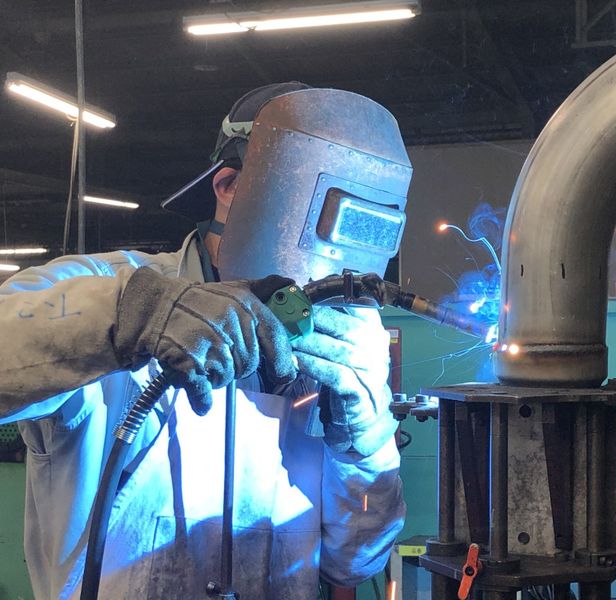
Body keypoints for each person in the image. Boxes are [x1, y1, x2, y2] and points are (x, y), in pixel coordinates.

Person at [0, 81, 413, 598]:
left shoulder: (341, 350)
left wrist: (366, 444)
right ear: (229, 185)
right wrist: (133, 316)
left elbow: (355, 563)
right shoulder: (108, 288)